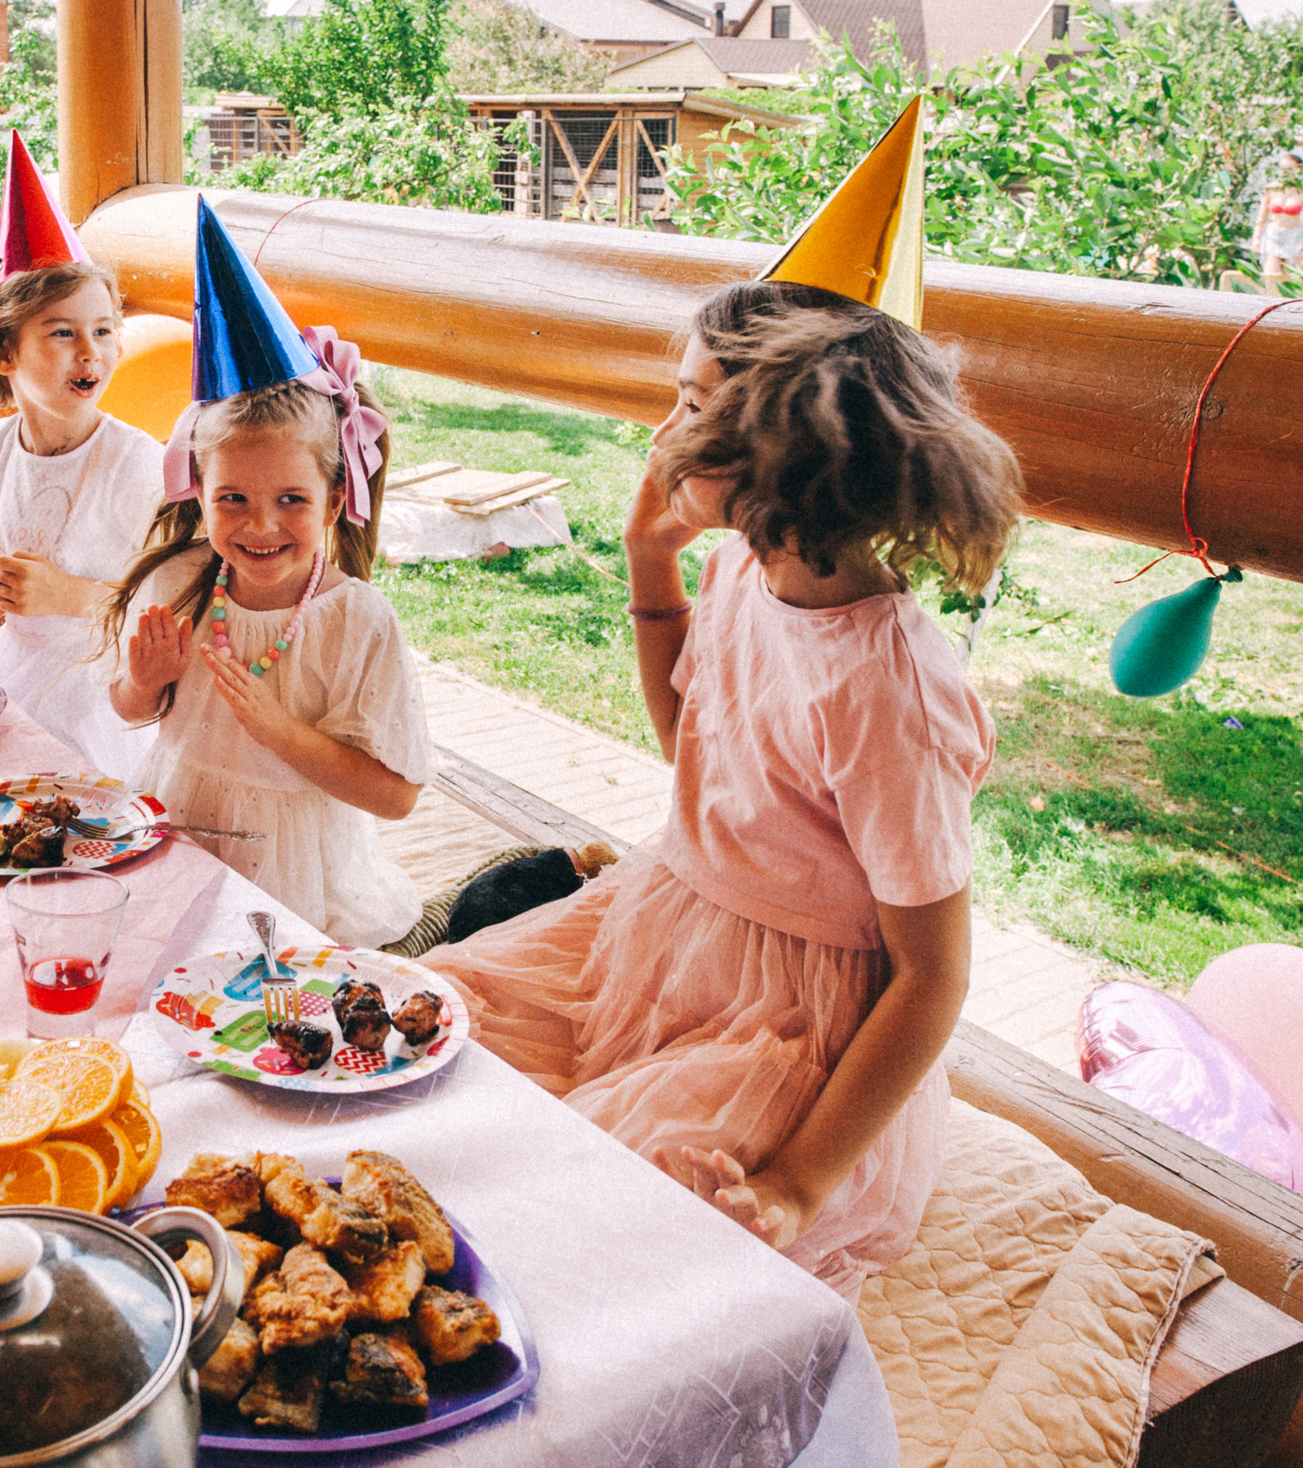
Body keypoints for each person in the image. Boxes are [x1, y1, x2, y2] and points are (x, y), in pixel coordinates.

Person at [420, 278, 1022, 1300]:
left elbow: (934, 978)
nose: (662, 433)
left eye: (695, 404)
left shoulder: (889, 688)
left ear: (790, 448)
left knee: (583, 1201)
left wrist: (795, 1183)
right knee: (426, 1024)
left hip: (790, 1023)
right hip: (665, 929)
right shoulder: (744, 569)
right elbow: (686, 744)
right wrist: (647, 561)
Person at [104, 200, 432, 947]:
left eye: (291, 500)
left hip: (297, 871)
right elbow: (128, 707)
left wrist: (278, 730)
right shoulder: (179, 583)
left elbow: (397, 795)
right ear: (198, 492)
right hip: (177, 835)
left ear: (335, 499)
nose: (259, 526)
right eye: (233, 499)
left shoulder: (356, 621)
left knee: (268, 997)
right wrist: (144, 681)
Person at [0, 133, 162, 779]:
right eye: (62, 333)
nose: (90, 351)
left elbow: (172, 604)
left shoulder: (136, 463)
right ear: (4, 353)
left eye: (104, 330)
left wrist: (71, 594)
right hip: (14, 681)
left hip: (102, 698)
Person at [1253, 153, 1303, 286]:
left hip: (1294, 236)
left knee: (1291, 280)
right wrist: (1256, 238)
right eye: (1282, 169)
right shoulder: (1271, 189)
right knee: (1271, 278)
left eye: (1288, 169)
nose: (1284, 173)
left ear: (1298, 170)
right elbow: (1262, 216)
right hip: (1273, 236)